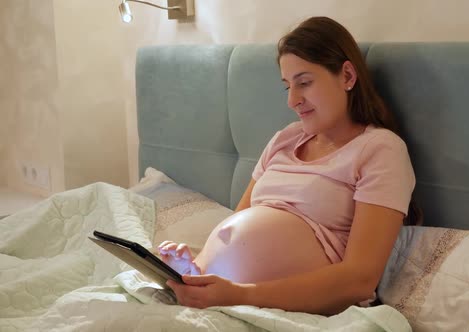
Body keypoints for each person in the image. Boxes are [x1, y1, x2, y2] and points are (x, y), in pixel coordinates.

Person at [157, 16, 419, 316]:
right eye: (287, 87)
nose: (293, 100)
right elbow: (238, 222)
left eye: (304, 83)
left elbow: (359, 280)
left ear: (347, 76)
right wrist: (193, 269)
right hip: (221, 300)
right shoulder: (286, 139)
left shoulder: (380, 150)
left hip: (273, 307)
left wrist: (238, 295)